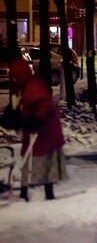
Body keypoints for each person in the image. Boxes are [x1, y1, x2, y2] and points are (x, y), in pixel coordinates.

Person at [9, 58, 67, 202]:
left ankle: (42, 193)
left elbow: (44, 104)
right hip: (36, 129)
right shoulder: (26, 85)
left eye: (15, 76)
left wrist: (37, 118)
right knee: (33, 159)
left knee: (42, 160)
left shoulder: (33, 86)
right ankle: (27, 193)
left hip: (44, 130)